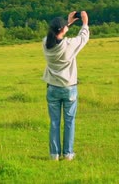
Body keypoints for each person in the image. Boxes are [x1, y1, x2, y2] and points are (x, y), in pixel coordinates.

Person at [42, 10, 89, 161]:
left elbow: (56, 36)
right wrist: (84, 22)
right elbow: (83, 38)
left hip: (52, 88)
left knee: (54, 122)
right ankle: (68, 154)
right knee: (69, 121)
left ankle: (54, 154)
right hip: (69, 87)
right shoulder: (69, 45)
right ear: (62, 30)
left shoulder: (45, 43)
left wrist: (67, 23)